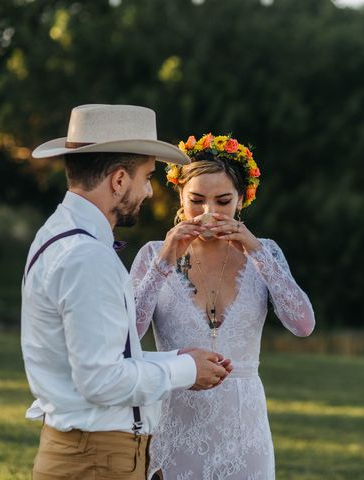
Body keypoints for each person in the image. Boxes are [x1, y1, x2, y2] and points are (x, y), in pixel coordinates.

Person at [21, 105, 232, 480]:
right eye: (146, 177)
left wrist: (170, 358)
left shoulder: (57, 235)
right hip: (97, 457)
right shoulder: (87, 256)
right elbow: (101, 382)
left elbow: (95, 359)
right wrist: (185, 370)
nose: (150, 191)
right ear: (119, 180)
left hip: (86, 450)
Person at [130, 133, 316, 479]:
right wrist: (166, 259)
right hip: (176, 422)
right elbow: (128, 335)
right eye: (196, 200)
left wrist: (257, 252)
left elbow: (303, 325)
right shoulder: (152, 255)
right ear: (180, 196)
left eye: (223, 201)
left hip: (245, 429)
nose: (209, 213)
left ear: (242, 201)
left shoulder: (266, 253)